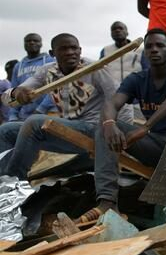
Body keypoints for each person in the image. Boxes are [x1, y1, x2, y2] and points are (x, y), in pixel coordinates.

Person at [76, 29, 166, 222]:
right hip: (156, 147)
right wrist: (109, 124)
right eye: (149, 46)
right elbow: (112, 103)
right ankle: (107, 203)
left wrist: (146, 126)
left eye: (160, 45)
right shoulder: (137, 79)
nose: (154, 50)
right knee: (104, 127)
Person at [0, 34, 118, 179]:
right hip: (66, 131)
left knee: (34, 122)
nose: (69, 52)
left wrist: (120, 135)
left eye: (73, 48)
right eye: (63, 49)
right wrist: (16, 92)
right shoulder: (47, 70)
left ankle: (13, 179)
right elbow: (8, 97)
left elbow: (121, 100)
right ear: (52, 53)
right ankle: (2, 179)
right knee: (5, 130)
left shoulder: (95, 68)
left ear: (80, 50)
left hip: (94, 131)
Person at [100, 21, 146, 122]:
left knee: (135, 127)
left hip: (135, 100)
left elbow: (147, 72)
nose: (117, 30)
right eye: (114, 29)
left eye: (120, 28)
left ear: (127, 32)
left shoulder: (140, 50)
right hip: (113, 100)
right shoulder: (106, 51)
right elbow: (100, 73)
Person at [8, 34, 57, 122]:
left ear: (41, 44)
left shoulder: (50, 61)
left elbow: (55, 88)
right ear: (24, 44)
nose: (32, 43)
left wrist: (40, 110)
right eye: (28, 41)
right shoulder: (18, 66)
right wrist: (13, 115)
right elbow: (14, 90)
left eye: (35, 41)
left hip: (46, 113)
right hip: (24, 115)